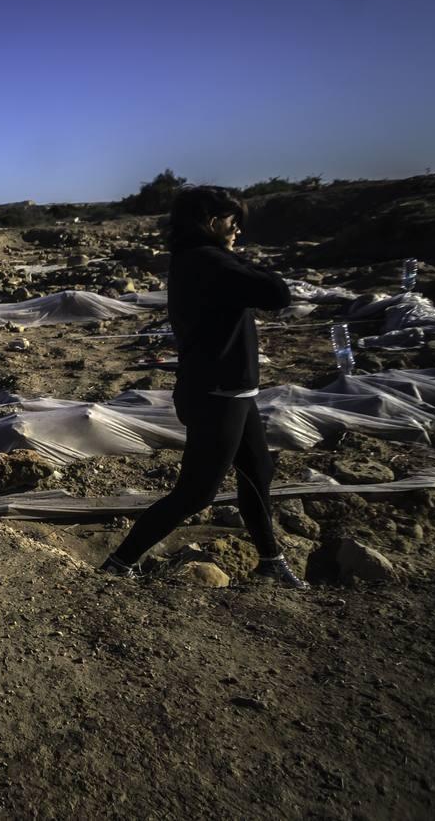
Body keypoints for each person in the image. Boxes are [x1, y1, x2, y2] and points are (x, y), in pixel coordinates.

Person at [100, 187, 307, 588]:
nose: (238, 232)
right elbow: (277, 293)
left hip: (233, 391)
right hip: (216, 394)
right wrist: (231, 253)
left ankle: (271, 560)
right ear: (211, 222)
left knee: (257, 474)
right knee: (196, 492)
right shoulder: (208, 261)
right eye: (233, 223)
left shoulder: (199, 259)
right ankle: (119, 562)